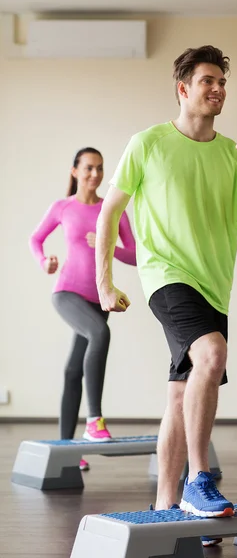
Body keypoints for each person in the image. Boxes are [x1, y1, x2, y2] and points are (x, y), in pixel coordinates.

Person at [95, 45, 237, 534]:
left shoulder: (232, 156)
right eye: (207, 81)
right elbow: (110, 211)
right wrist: (105, 282)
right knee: (212, 355)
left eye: (222, 82)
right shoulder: (148, 142)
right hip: (166, 276)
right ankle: (200, 478)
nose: (217, 89)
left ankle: (164, 504)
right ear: (183, 88)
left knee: (180, 394)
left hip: (213, 288)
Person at [29, 147, 136, 471]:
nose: (95, 174)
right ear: (75, 171)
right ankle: (94, 421)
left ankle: (66, 452)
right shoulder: (62, 207)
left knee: (73, 370)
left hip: (99, 298)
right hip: (67, 292)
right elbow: (35, 240)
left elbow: (133, 254)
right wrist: (44, 261)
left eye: (100, 169)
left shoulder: (111, 208)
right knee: (99, 333)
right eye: (89, 168)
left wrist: (107, 245)